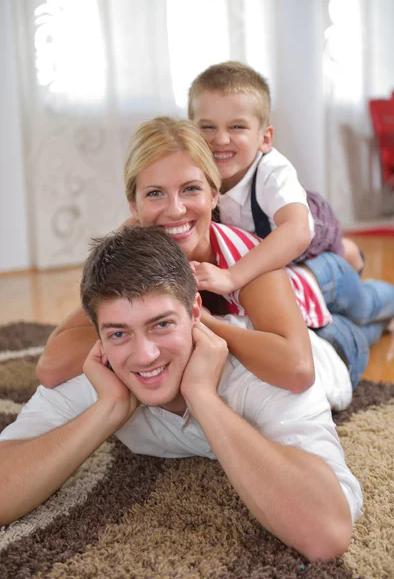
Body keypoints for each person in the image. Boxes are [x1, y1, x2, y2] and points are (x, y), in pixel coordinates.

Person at [0, 226, 363, 562]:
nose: (145, 356)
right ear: (98, 336)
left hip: (334, 352)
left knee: (365, 312)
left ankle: (349, 269)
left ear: (194, 313)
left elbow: (326, 531)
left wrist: (202, 396)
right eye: (118, 333)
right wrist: (108, 408)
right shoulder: (99, 372)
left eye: (162, 324)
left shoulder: (261, 377)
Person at [36, 117, 394, 393]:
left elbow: (300, 370)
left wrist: (203, 324)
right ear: (133, 205)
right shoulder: (131, 255)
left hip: (315, 317)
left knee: (361, 316)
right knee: (373, 323)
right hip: (282, 310)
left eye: (190, 189)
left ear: (214, 195)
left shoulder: (244, 255)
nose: (175, 210)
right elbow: (51, 368)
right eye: (155, 194)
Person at [188, 60, 365, 300]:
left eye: (237, 127)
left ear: (265, 138)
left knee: (334, 256)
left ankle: (350, 254)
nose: (220, 139)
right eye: (207, 127)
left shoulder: (273, 170)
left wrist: (232, 276)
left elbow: (298, 231)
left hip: (307, 230)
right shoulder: (191, 165)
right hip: (255, 242)